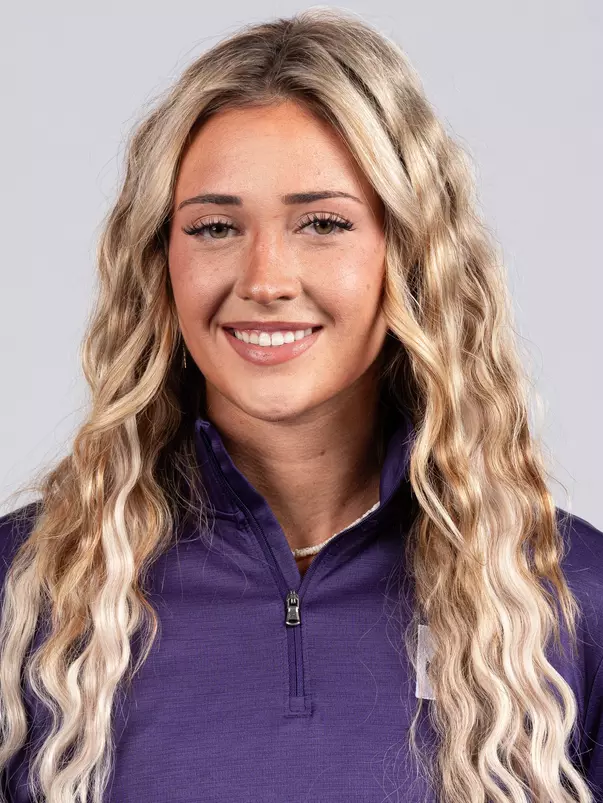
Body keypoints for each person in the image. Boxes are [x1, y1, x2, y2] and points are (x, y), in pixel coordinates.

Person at [0, 8, 601, 803]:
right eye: (215, 226)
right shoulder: (26, 587)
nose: (265, 278)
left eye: (322, 223)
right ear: (160, 265)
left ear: (410, 254)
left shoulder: (563, 592)